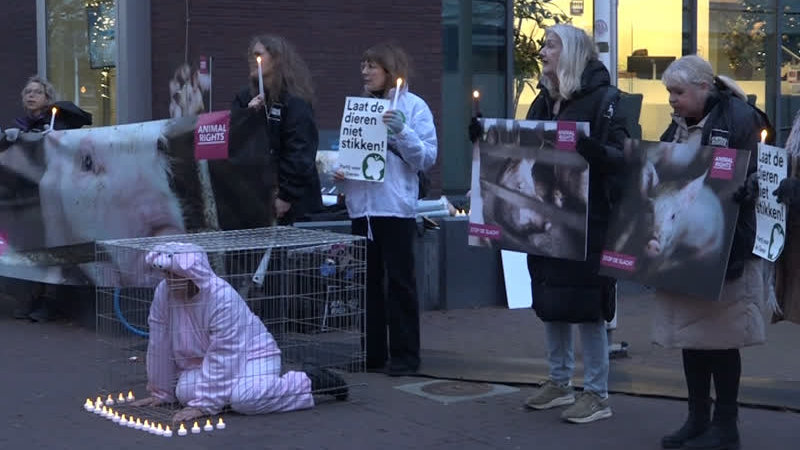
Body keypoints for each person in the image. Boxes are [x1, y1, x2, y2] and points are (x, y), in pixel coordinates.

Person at [475, 24, 627, 424]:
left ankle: (597, 393)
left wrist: (595, 151)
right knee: (551, 299)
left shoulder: (606, 101)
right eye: (543, 45)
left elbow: (625, 158)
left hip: (588, 222)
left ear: (572, 52)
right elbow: (520, 148)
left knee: (589, 306)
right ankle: (560, 382)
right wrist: (485, 140)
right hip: (546, 219)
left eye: (551, 46)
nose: (542, 52)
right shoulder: (543, 101)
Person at [653, 55, 772, 450]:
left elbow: (765, 172)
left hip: (728, 245)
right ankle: (697, 418)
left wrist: (751, 188)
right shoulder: (679, 124)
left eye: (678, 92)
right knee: (692, 336)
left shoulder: (740, 119)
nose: (671, 100)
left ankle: (725, 425)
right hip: (685, 246)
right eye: (669, 92)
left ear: (704, 87)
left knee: (722, 338)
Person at [131, 242, 348, 424]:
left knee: (246, 400)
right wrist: (161, 392)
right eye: (166, 274)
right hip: (207, 361)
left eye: (175, 274)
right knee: (184, 392)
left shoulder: (221, 297)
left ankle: (308, 382)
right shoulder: (163, 292)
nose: (170, 280)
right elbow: (159, 342)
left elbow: (224, 353)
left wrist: (205, 404)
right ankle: (232, 393)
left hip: (253, 355)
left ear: (192, 274)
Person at [335, 42, 437, 376]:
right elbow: (351, 155)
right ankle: (372, 353)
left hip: (394, 209)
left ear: (389, 71)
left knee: (400, 284)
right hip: (362, 210)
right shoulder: (360, 108)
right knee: (367, 284)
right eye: (363, 65)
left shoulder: (414, 107)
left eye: (372, 66)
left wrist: (401, 130)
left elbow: (426, 158)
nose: (364, 72)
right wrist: (340, 173)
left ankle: (406, 356)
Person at [3, 75, 91, 321]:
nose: (31, 95)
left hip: (53, 198)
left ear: (47, 98)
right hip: (28, 199)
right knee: (32, 249)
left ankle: (52, 302)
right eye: (27, 92)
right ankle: (33, 298)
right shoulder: (20, 129)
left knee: (53, 249)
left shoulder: (57, 123)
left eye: (37, 92)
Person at [231, 34, 322, 225]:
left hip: (292, 205)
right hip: (255, 197)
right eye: (251, 54)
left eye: (258, 54)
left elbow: (300, 152)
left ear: (277, 59)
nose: (252, 59)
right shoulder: (244, 99)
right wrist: (246, 116)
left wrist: (286, 195)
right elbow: (234, 144)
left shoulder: (295, 102)